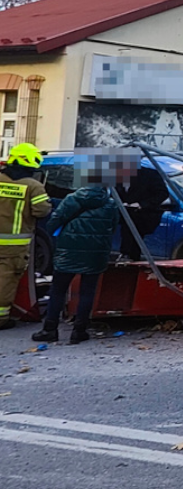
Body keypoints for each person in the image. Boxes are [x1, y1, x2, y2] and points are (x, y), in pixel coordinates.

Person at [31, 171, 117, 344]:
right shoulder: (110, 204)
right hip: (96, 253)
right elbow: (113, 227)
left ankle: (50, 329)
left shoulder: (72, 199)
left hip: (68, 251)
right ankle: (79, 331)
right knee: (87, 292)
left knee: (58, 290)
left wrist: (59, 235)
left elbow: (54, 221)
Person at [0, 143, 52, 330]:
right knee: (5, 281)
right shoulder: (33, 186)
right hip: (13, 246)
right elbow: (42, 211)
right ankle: (1, 319)